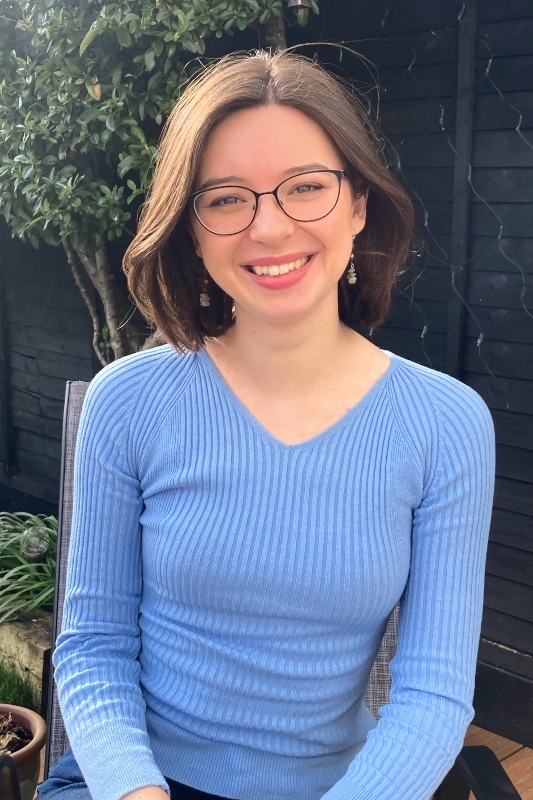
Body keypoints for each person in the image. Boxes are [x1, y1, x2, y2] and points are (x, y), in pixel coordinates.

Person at [38, 50, 495, 800]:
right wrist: (136, 791)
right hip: (132, 784)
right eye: (224, 199)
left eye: (306, 187)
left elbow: (432, 695)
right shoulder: (126, 402)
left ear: (358, 206)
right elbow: (94, 646)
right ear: (190, 228)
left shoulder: (445, 426)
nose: (269, 227)